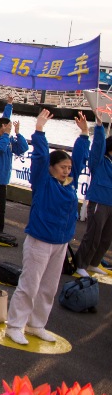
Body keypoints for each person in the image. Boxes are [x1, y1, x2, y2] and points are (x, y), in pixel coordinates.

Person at [4, 110, 89, 344]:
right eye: (62, 167)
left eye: (69, 168)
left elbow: (80, 158)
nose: (67, 171)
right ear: (51, 167)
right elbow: (40, 155)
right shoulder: (42, 180)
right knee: (30, 285)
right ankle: (15, 325)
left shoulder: (69, 183)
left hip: (60, 242)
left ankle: (36, 324)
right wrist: (39, 130)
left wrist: (84, 134)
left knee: (49, 287)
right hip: (39, 240)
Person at [74, 117, 112, 276]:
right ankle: (80, 264)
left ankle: (93, 263)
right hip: (99, 202)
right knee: (94, 235)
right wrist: (99, 127)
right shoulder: (99, 162)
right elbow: (97, 147)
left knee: (106, 238)